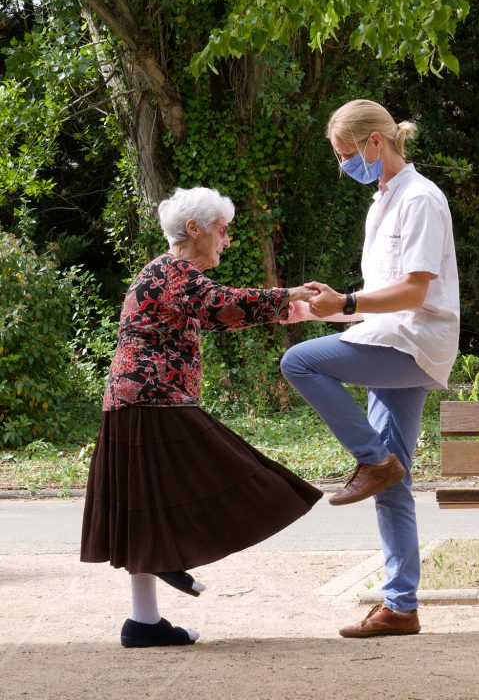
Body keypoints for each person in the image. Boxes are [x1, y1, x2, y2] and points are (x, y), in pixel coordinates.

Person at [80, 186, 323, 648]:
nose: (226, 240)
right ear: (194, 228)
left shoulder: (171, 276)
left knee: (145, 506)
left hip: (139, 402)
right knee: (241, 475)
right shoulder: (172, 271)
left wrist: (310, 309)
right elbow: (221, 304)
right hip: (152, 401)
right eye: (222, 230)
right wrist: (291, 293)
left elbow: (221, 313)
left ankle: (144, 621)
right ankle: (163, 558)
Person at [280, 99, 459, 638]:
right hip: (387, 341)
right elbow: (382, 289)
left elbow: (413, 290)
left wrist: (348, 304)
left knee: (300, 362)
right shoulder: (383, 200)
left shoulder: (422, 199)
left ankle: (371, 459)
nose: (344, 166)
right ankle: (401, 607)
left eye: (345, 155)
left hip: (413, 344)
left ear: (374, 143)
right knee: (393, 484)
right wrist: (328, 306)